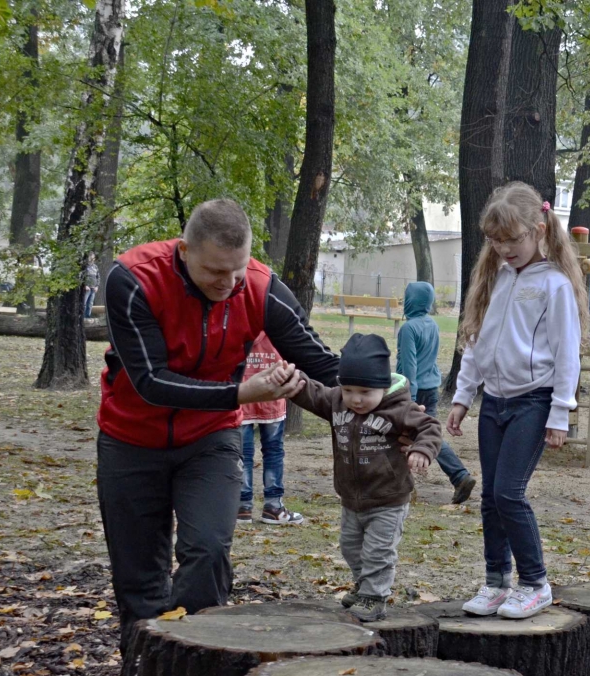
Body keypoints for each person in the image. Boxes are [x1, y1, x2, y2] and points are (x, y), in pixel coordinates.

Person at [96, 198, 341, 644]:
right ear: (185, 252)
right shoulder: (133, 280)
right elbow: (151, 382)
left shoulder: (262, 289)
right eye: (215, 272)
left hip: (210, 438)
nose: (229, 284)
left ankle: (197, 667)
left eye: (238, 269)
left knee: (208, 552)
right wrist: (243, 393)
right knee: (138, 579)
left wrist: (392, 401)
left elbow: (323, 363)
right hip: (129, 439)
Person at [447, 182, 588, 620]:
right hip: (494, 404)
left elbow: (568, 352)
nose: (503, 248)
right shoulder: (496, 278)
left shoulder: (555, 285)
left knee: (508, 493)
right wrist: (462, 397)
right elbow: (476, 343)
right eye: (495, 240)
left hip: (534, 402)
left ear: (538, 229)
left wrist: (560, 412)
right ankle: (495, 582)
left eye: (513, 239)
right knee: (489, 497)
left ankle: (534, 583)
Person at [292, 333, 443, 621]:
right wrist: (293, 379)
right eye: (348, 390)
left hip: (388, 498)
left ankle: (375, 597)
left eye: (364, 392)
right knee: (351, 548)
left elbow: (430, 427)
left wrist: (422, 450)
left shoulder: (399, 408)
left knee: (378, 551)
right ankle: (364, 587)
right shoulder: (338, 402)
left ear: (383, 388)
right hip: (351, 498)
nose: (355, 399)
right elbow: (313, 394)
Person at [397, 280, 477, 504]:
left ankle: (403, 487)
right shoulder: (432, 325)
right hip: (431, 387)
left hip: (414, 391)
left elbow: (409, 364)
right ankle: (459, 476)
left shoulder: (408, 329)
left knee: (397, 435)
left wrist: (409, 398)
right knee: (429, 435)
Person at [238, 332, 305, 525]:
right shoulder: (278, 324)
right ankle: (273, 507)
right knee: (273, 452)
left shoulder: (242, 321)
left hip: (244, 397)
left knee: (244, 454)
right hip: (271, 397)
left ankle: (242, 507)